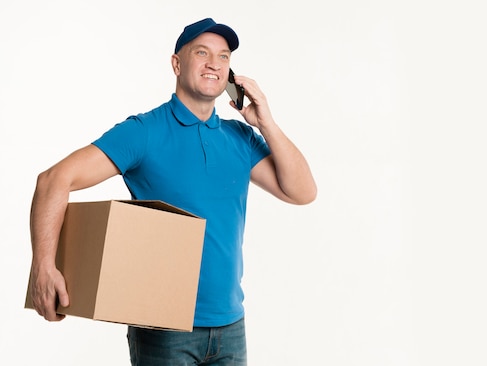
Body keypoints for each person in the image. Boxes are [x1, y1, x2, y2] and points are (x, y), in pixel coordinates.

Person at [27, 17, 317, 365]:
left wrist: (265, 121)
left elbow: (303, 192)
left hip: (231, 326)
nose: (215, 63)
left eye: (224, 56)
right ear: (177, 64)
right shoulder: (144, 132)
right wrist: (44, 267)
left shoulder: (240, 139)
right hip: (163, 331)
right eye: (202, 52)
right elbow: (53, 180)